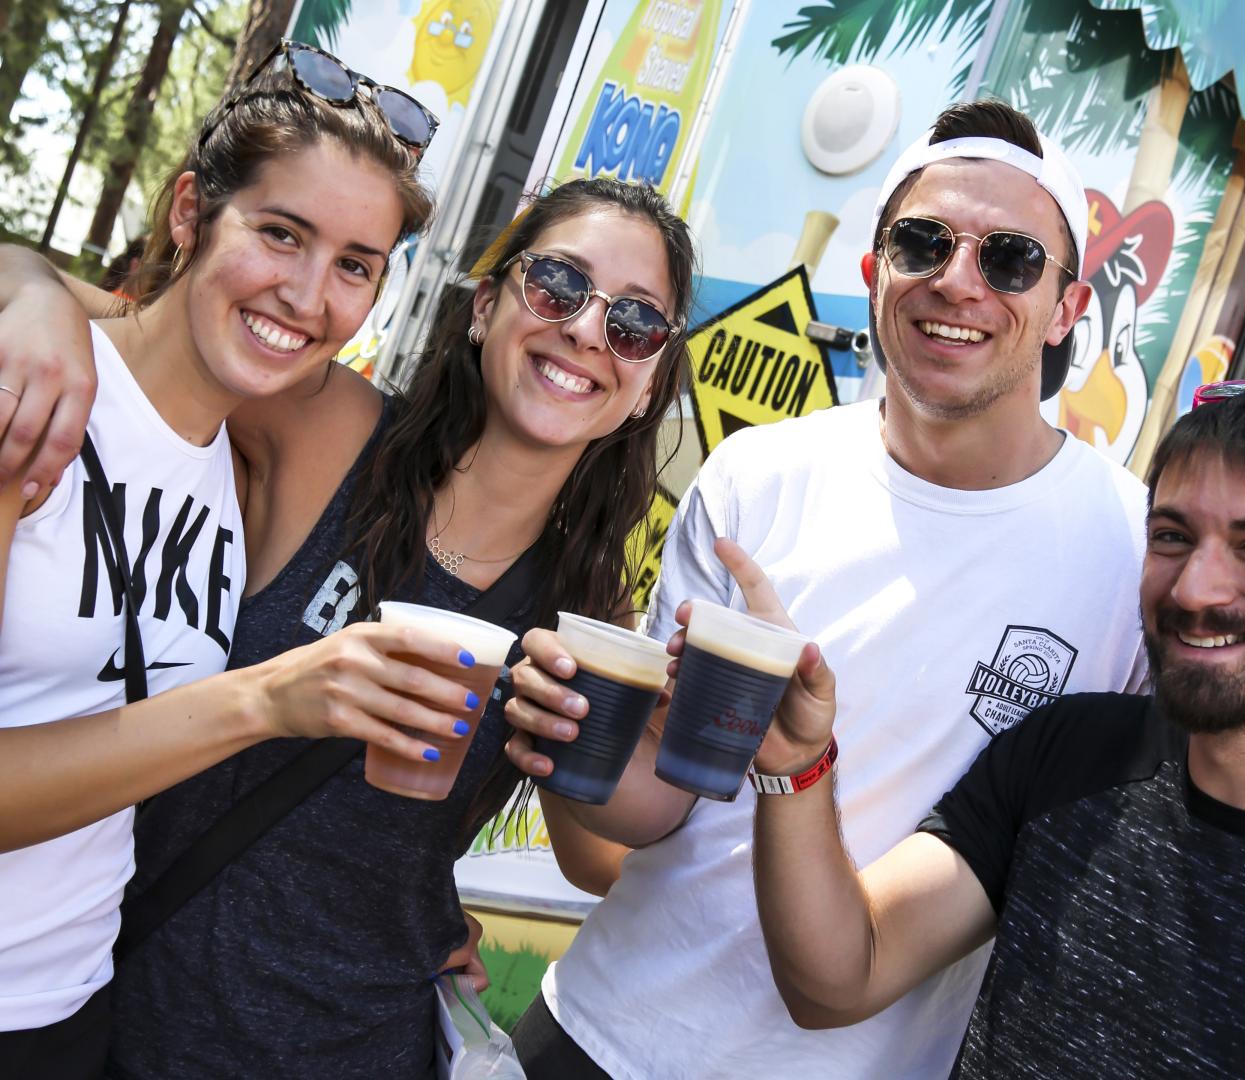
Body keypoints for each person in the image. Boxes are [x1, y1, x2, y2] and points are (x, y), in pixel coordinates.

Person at [0, 133, 695, 1079]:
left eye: (635, 324)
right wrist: (30, 291)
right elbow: (148, 330)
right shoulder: (332, 429)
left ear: (648, 382)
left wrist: (654, 744)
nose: (584, 332)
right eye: (558, 286)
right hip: (131, 1016)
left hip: (360, 1045)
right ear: (485, 304)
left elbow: (594, 860)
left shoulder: (585, 611)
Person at [503, 99, 1152, 1078]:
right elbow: (658, 810)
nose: (957, 281)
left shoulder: (1135, 552)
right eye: (923, 243)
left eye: (1011, 259)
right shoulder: (756, 477)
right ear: (875, 270)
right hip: (601, 1034)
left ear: (1067, 307)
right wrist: (565, 733)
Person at [0, 43, 482, 1080]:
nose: (307, 295)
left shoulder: (240, 464)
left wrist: (418, 911)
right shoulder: (35, 398)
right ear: (190, 212)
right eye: (280, 233)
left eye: (354, 265)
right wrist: (264, 701)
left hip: (71, 1008)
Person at [749, 382, 1245, 1078]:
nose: (1193, 588)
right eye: (1172, 537)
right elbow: (844, 975)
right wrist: (798, 764)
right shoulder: (1072, 753)